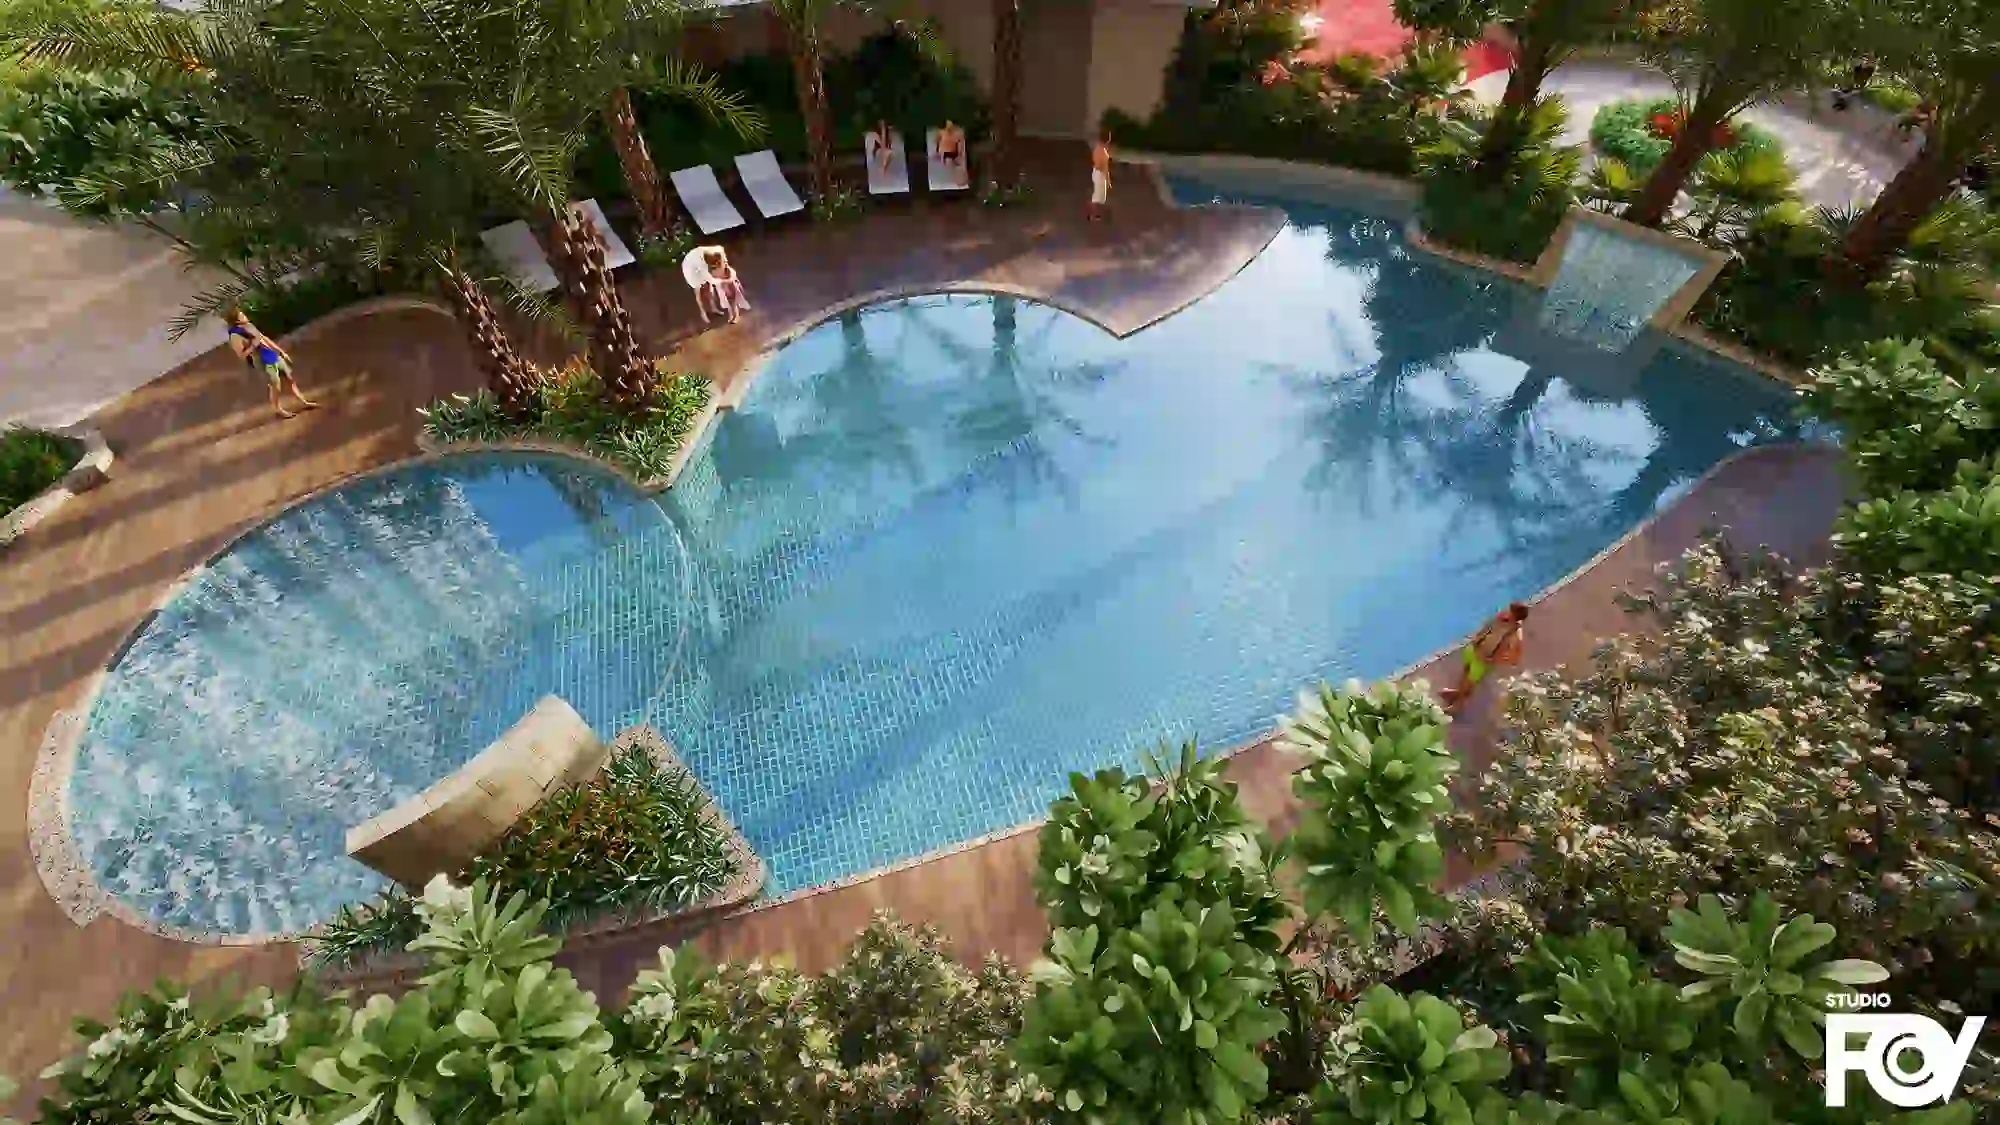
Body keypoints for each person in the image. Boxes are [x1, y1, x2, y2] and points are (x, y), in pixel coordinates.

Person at [1438, 602, 1529, 714]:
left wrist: (1491, 660)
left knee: (1469, 683)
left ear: (1514, 616)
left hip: (1484, 661)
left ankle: (1458, 705)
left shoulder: (1515, 636)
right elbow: (1487, 627)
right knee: (1465, 674)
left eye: (1509, 610)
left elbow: (1514, 660)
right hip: (1474, 649)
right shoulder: (1501, 618)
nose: (1505, 610)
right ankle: (1457, 692)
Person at [225, 308, 318, 418]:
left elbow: (264, 339)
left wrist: (281, 352)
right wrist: (253, 345)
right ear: (236, 320)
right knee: (276, 386)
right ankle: (277, 409)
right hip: (263, 361)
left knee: (290, 379)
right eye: (241, 315)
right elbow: (242, 355)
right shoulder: (235, 336)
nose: (244, 316)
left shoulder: (249, 326)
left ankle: (303, 402)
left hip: (273, 355)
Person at [704, 248, 750, 325]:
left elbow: (731, 279)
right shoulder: (713, 271)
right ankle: (731, 315)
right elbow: (711, 280)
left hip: (732, 288)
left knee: (733, 303)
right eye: (712, 264)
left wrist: (721, 281)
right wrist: (711, 288)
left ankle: (736, 315)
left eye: (717, 263)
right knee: (728, 304)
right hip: (723, 290)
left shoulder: (728, 270)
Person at [1088, 130, 1112, 222]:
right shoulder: (1104, 153)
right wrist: (1108, 180)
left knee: (1098, 195)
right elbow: (1105, 168)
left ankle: (1095, 214)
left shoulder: (1097, 148)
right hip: (1100, 174)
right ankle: (1092, 214)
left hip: (1095, 171)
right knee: (1098, 196)